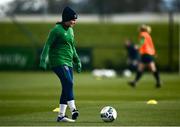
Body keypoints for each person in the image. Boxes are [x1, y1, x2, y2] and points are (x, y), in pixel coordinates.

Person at [40, 6, 82, 122]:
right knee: (68, 82)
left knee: (67, 86)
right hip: (58, 61)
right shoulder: (56, 30)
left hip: (68, 61)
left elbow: (72, 47)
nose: (74, 22)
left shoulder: (71, 30)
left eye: (75, 20)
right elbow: (47, 44)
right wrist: (43, 59)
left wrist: (77, 61)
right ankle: (74, 109)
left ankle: (61, 115)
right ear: (66, 19)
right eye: (72, 20)